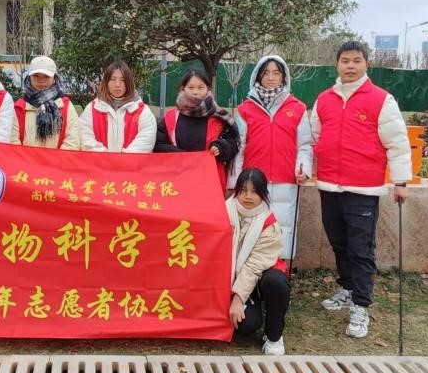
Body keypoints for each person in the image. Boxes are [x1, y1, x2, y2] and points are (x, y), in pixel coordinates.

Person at [309, 41, 411, 339]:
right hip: (329, 186)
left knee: (360, 249)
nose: (350, 66)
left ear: (366, 64)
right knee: (339, 244)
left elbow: (398, 143)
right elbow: (314, 138)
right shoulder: (324, 99)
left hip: (363, 189)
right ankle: (347, 289)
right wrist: (305, 166)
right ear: (337, 65)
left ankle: (361, 305)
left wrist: (401, 182)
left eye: (356, 60)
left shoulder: (381, 100)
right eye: (345, 61)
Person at [233, 55, 313, 263]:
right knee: (252, 228)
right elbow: (239, 148)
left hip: (286, 179)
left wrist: (303, 168)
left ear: (283, 77)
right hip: (253, 183)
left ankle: (279, 271)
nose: (270, 78)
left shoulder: (297, 108)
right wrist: (235, 182)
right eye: (266, 73)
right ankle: (251, 273)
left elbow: (305, 145)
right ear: (258, 76)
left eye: (276, 73)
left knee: (283, 227)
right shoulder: (244, 109)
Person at [228, 168, 290, 356]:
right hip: (228, 278)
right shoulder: (224, 212)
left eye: (254, 191)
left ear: (263, 193)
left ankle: (274, 336)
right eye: (243, 190)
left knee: (276, 282)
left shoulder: (268, 223)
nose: (248, 196)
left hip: (257, 279)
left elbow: (254, 266)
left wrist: (238, 298)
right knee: (243, 324)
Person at [154, 69, 239, 192]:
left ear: (208, 89)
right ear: (183, 89)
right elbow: (159, 145)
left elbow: (232, 143)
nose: (195, 92)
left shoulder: (220, 117)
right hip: (177, 181)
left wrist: (220, 148)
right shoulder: (171, 118)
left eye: (200, 87)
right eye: (191, 87)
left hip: (210, 181)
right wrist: (185, 157)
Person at [79, 60, 156, 153]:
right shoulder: (92, 109)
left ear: (129, 82)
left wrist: (122, 158)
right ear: (106, 82)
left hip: (130, 162)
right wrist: (105, 157)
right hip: (99, 162)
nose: (117, 85)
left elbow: (145, 142)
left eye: (122, 80)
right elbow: (85, 138)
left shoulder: (143, 111)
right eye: (113, 79)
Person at [12, 56, 82, 150]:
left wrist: (57, 158)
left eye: (46, 76)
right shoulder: (20, 107)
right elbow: (12, 139)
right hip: (24, 159)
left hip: (58, 159)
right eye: (36, 75)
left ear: (54, 77)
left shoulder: (65, 106)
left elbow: (73, 140)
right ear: (29, 77)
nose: (41, 80)